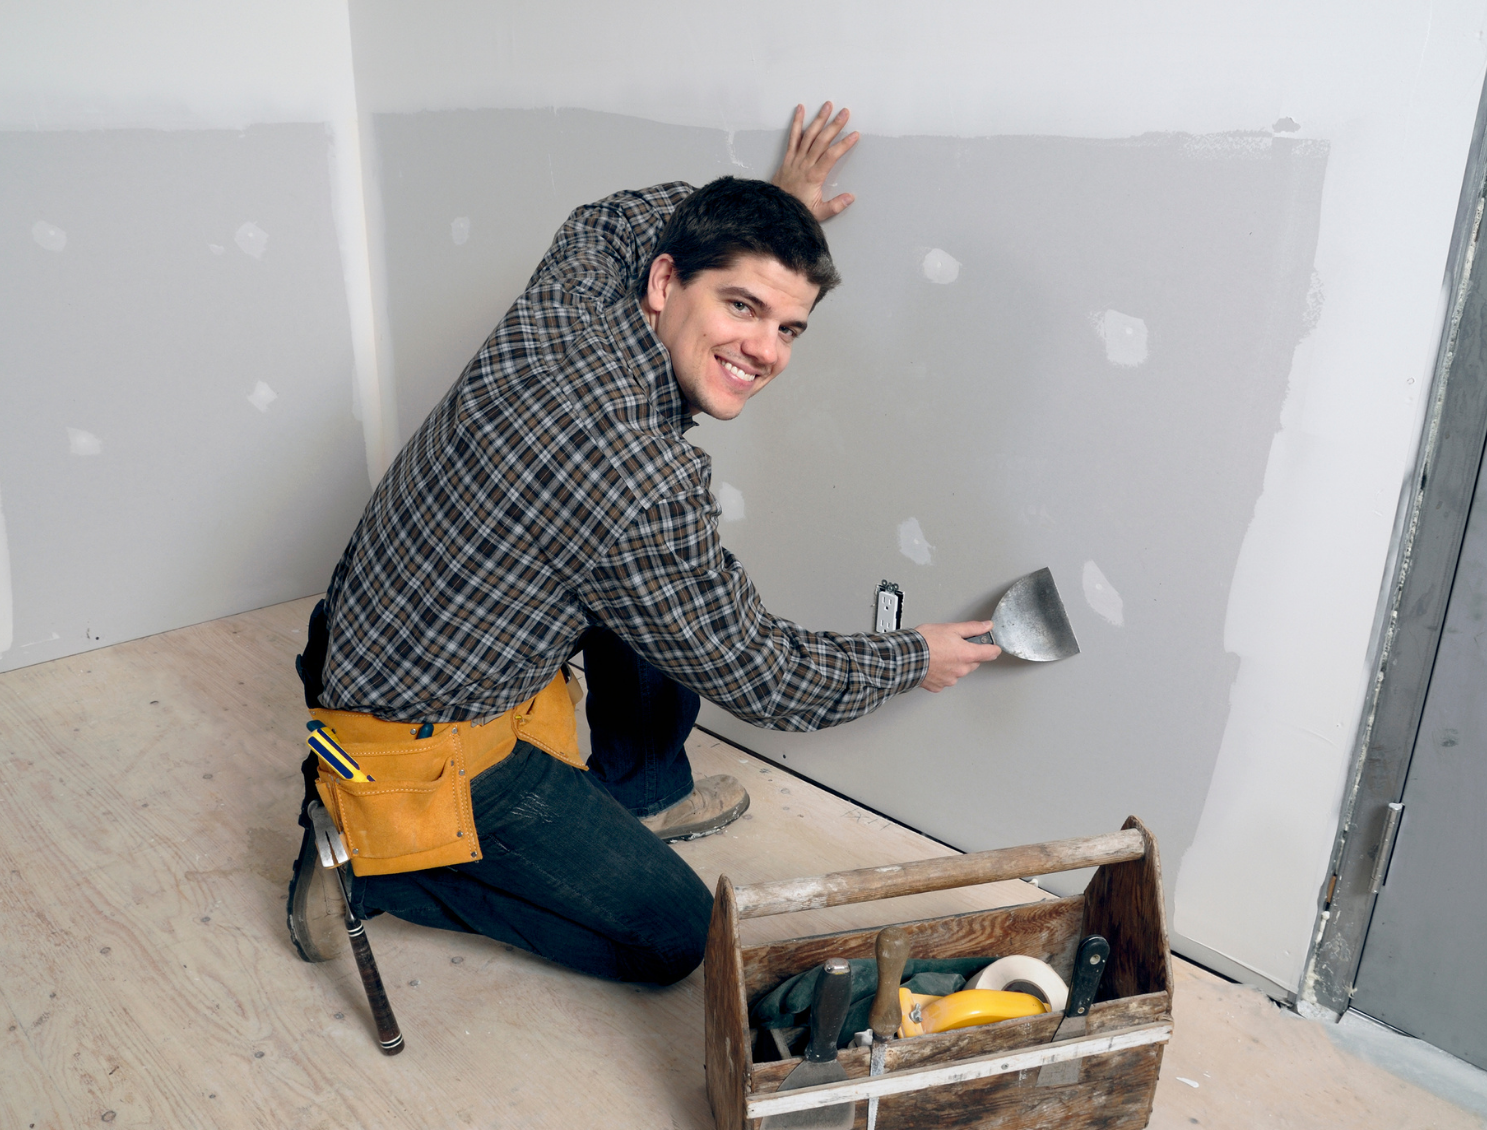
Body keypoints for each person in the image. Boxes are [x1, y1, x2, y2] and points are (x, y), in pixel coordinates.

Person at [287, 104, 1000, 985]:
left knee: (674, 587)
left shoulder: (572, 295)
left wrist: (767, 212)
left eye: (788, 327)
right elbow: (762, 675)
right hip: (416, 741)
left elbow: (615, 218)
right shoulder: (639, 484)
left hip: (362, 632)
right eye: (741, 306)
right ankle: (373, 864)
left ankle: (642, 787)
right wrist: (910, 656)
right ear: (665, 283)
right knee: (676, 938)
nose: (766, 350)